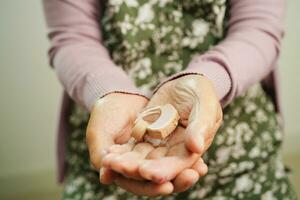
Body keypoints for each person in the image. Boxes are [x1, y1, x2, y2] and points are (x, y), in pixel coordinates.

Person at [43, 0, 297, 199]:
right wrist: (107, 92)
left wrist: (207, 79)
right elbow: (72, 36)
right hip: (115, 142)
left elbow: (258, 28)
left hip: (241, 151)